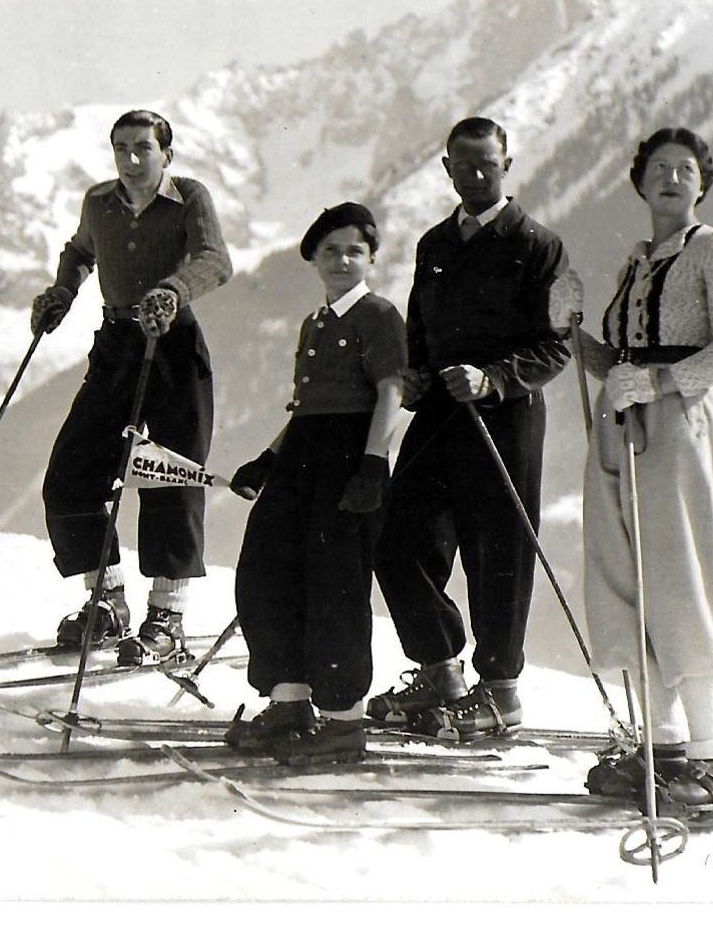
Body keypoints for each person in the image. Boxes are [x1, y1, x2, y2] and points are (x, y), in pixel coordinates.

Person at [366, 116, 574, 740]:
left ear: (507, 165)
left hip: (505, 418)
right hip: (441, 417)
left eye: (488, 162)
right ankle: (440, 671)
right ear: (447, 168)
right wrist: (417, 375)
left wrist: (492, 378)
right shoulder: (434, 245)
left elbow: (556, 346)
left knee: (499, 553)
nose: (476, 173)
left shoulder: (540, 246)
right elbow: (419, 335)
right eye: (464, 163)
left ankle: (500, 690)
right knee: (398, 537)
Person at [578, 126, 713, 806]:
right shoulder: (636, 261)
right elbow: (620, 356)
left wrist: (655, 386)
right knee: (622, 573)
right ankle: (660, 745)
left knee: (680, 571)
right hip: (617, 417)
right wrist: (574, 335)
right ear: (639, 181)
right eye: (658, 167)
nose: (671, 177)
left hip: (678, 418)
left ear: (702, 183)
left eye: (685, 168)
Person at [30, 109, 232, 666]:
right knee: (72, 476)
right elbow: (80, 252)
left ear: (167, 153)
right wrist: (61, 293)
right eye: (121, 148)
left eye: (143, 148)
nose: (132, 159)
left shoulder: (188, 196)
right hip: (119, 344)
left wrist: (172, 290)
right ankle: (108, 604)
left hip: (173, 346)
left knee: (171, 475)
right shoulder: (100, 202)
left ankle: (167, 620)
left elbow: (216, 260)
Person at [223, 203, 406, 764]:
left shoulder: (378, 315)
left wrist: (373, 465)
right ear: (314, 260)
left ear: (371, 258)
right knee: (266, 569)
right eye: (330, 251)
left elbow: (391, 392)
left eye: (354, 250)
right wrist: (270, 457)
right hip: (305, 453)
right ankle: (289, 704)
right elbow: (308, 408)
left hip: (351, 456)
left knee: (335, 587)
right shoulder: (317, 322)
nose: (342, 260)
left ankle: (344, 723)